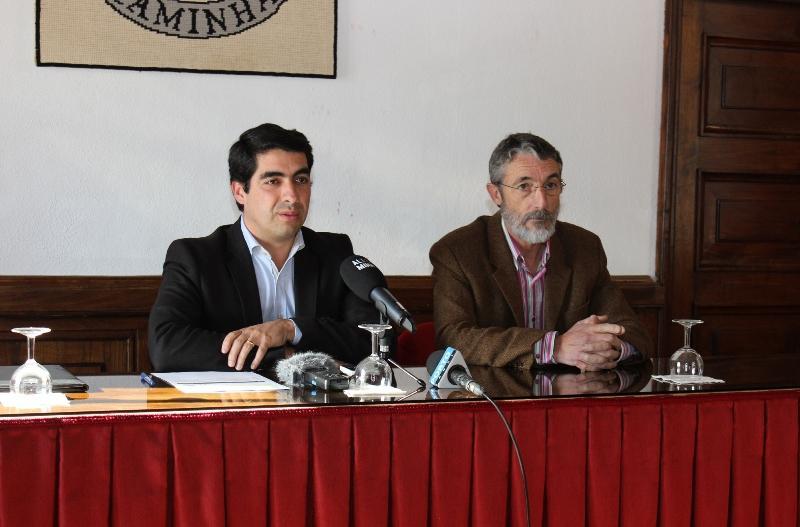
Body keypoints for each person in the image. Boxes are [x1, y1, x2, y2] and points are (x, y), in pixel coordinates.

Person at [149, 123, 377, 372]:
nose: (292, 195)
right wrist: (286, 358)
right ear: (239, 192)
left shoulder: (335, 253)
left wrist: (290, 329)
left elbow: (375, 341)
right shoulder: (196, 258)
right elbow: (166, 347)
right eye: (273, 181)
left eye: (300, 180)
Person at [429, 133, 652, 371]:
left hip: (571, 391)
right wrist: (553, 347)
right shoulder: (457, 252)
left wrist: (611, 348)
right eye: (524, 186)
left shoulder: (585, 248)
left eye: (550, 185)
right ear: (496, 194)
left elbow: (633, 332)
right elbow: (453, 337)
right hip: (493, 392)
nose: (542, 203)